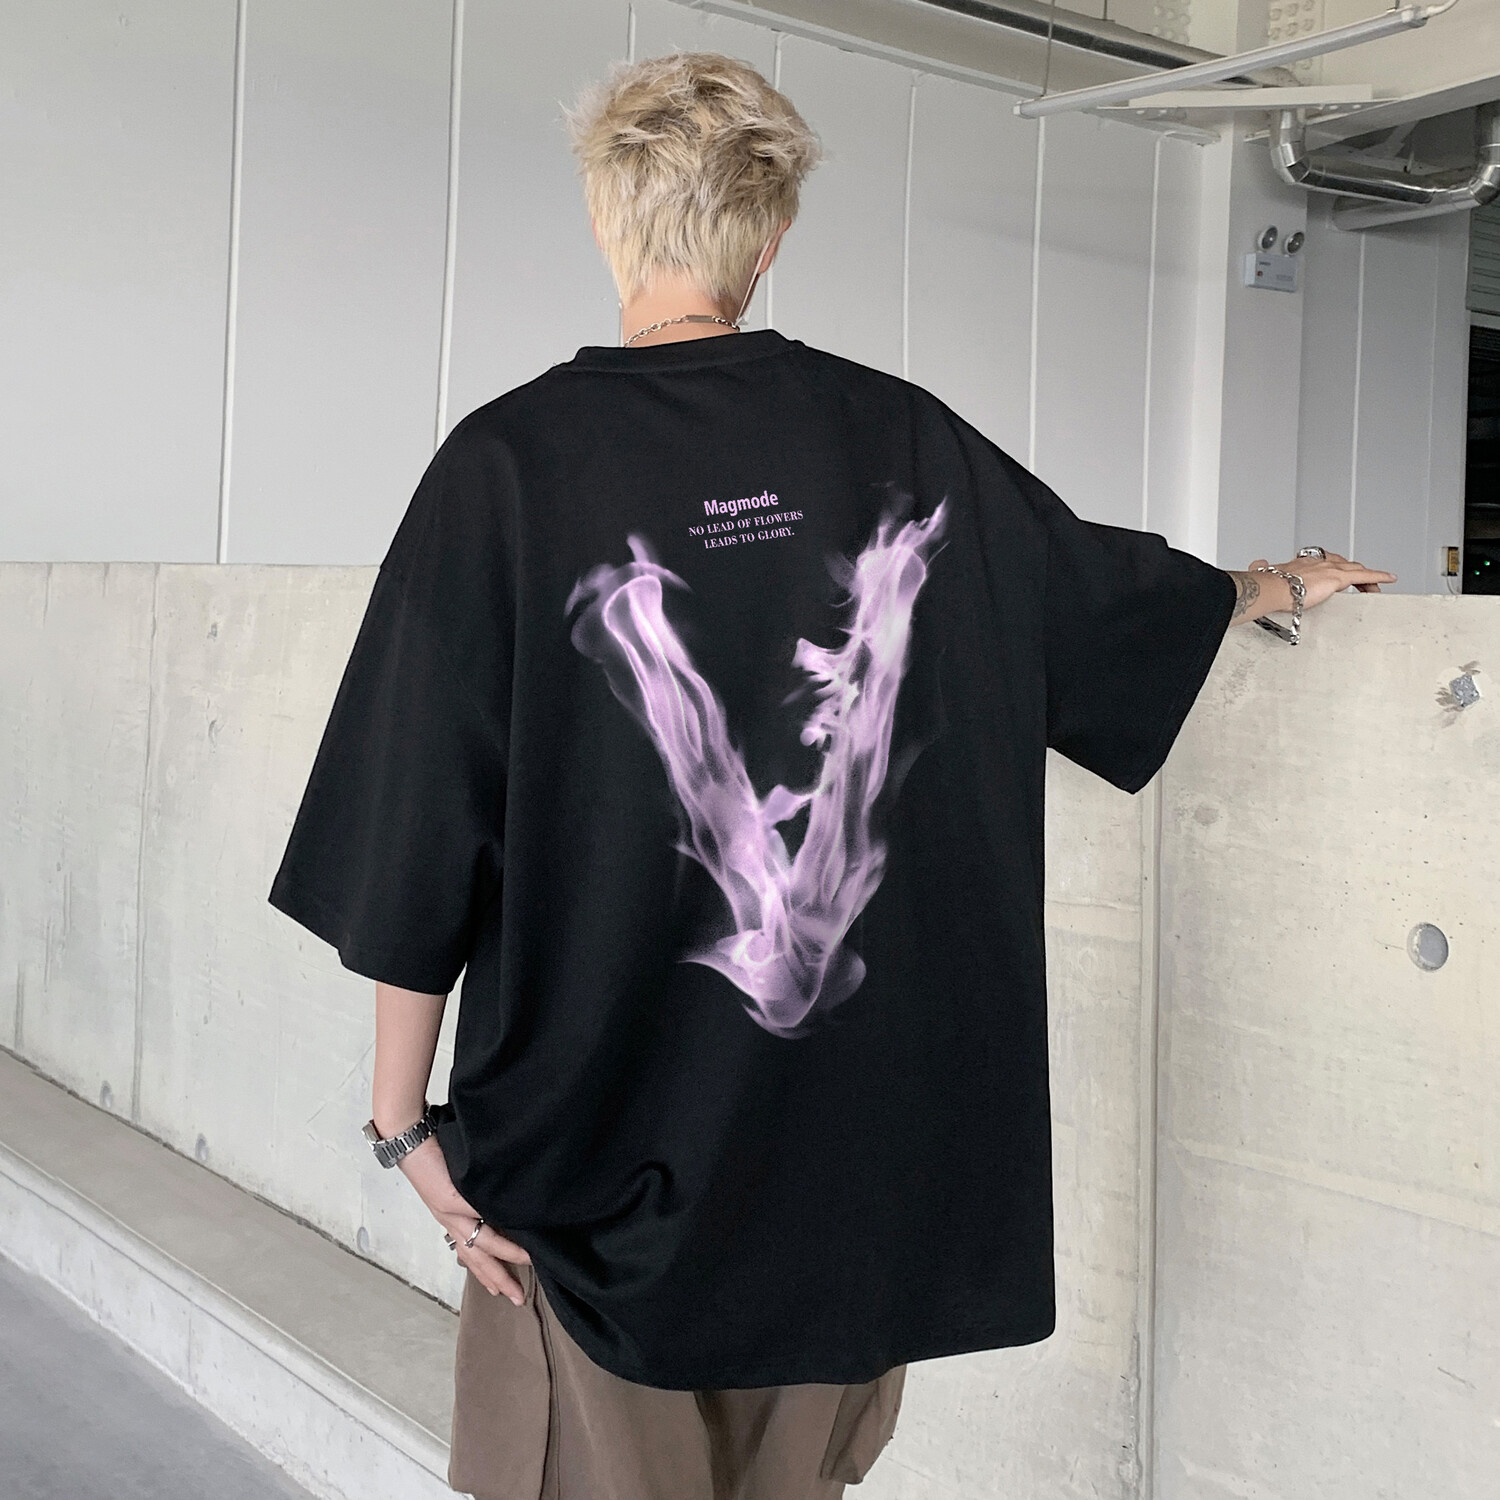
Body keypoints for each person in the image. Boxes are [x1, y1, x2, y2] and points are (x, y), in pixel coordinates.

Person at [268, 51, 1396, 1500]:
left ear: (605, 216)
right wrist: (1266, 585)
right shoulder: (905, 441)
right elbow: (1094, 602)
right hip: (853, 1170)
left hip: (589, 1173)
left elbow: (415, 831)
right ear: (774, 234)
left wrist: (401, 1126)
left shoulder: (505, 468)